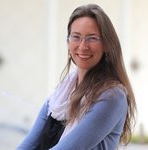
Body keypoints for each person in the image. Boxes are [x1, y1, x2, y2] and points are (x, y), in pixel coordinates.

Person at [16, 3, 136, 150]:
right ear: (68, 42)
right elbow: (29, 144)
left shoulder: (112, 96)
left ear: (105, 44)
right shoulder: (60, 94)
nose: (83, 46)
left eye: (92, 38)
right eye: (76, 37)